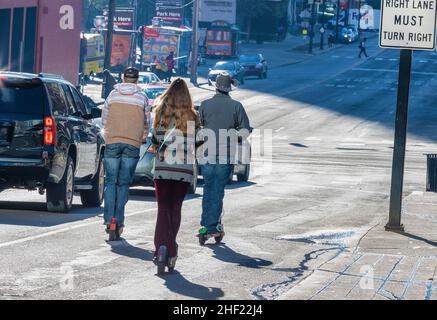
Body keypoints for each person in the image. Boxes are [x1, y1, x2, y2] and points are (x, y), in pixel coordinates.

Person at [151, 78, 200, 273]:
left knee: (162, 209)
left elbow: (155, 138)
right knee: (175, 208)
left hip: (163, 168)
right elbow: (199, 141)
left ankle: (162, 249)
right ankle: (171, 249)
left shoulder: (160, 113)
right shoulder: (193, 116)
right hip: (183, 170)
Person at [197, 72, 251, 240]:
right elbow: (245, 130)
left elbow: (198, 129)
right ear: (229, 88)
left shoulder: (205, 105)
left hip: (207, 154)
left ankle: (206, 224)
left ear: (216, 86)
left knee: (207, 188)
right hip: (225, 155)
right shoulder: (236, 106)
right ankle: (212, 225)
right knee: (218, 191)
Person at [102, 67, 150, 237]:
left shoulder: (113, 95)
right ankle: (119, 220)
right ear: (137, 80)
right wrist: (143, 136)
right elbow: (146, 122)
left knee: (111, 182)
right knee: (123, 183)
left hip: (112, 141)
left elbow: (104, 118)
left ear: (123, 78)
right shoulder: (142, 97)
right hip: (132, 143)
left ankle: (109, 220)